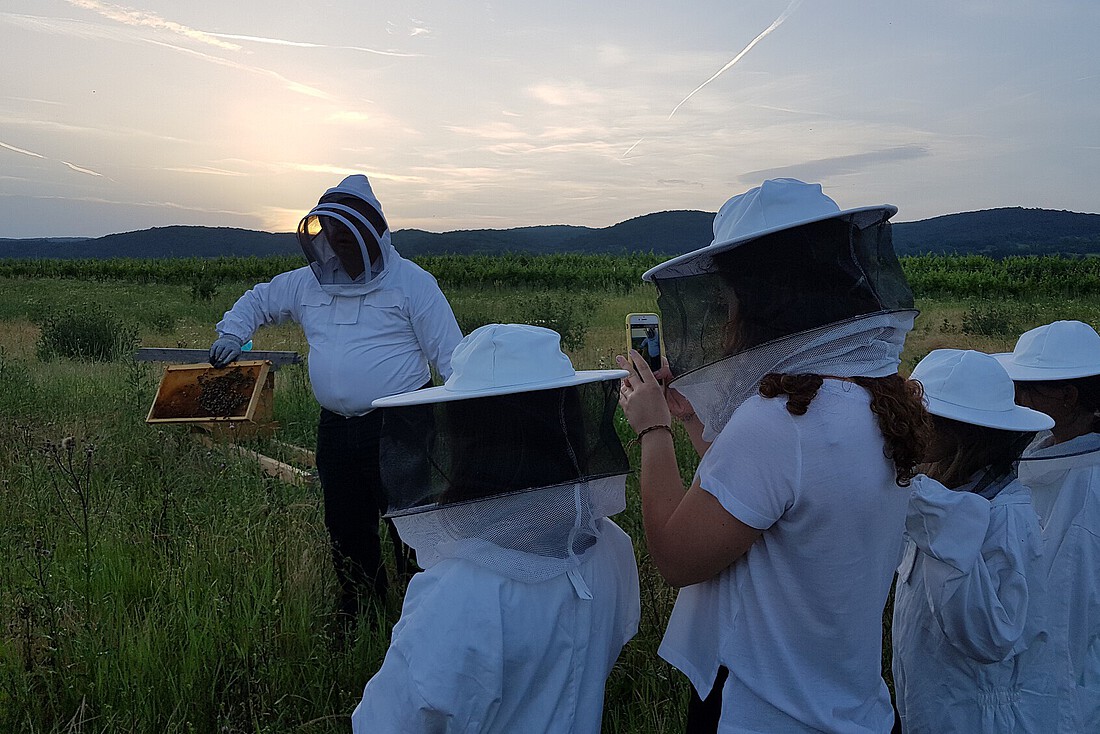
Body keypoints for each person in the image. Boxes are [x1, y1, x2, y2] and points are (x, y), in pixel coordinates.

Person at [615, 178, 929, 733]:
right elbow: (764, 498)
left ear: (754, 298)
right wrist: (689, 414)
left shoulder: (780, 422)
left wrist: (653, 429)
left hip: (764, 711)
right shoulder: (871, 399)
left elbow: (676, 557)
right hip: (852, 706)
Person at [351, 323, 640, 733]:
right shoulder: (613, 547)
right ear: (570, 421)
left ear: (464, 437)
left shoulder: (458, 593)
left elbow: (386, 724)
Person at [208, 174, 462, 617]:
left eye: (349, 240)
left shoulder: (413, 284)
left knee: (411, 525)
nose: (341, 249)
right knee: (345, 525)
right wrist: (233, 332)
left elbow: (452, 357)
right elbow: (259, 299)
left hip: (401, 426)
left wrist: (467, 424)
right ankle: (359, 606)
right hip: (336, 429)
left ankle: (421, 613)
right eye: (335, 239)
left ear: (372, 236)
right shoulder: (307, 283)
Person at [892, 349, 1057, 733]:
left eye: (925, 420)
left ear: (963, 430)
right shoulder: (947, 492)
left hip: (976, 715)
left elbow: (988, 638)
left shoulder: (1005, 513)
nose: (913, 429)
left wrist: (939, 524)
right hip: (933, 698)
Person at [995, 320, 1100, 731]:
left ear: (1069, 395)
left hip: (1065, 699)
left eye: (1028, 387)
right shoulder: (1052, 448)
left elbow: (1062, 622)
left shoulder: (1087, 493)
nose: (1016, 397)